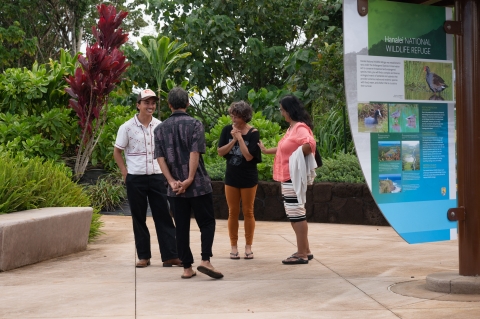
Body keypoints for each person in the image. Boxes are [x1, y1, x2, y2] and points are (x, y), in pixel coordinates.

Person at [154, 87, 223, 279]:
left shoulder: (159, 129)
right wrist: (190, 179)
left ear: (169, 105)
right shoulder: (195, 124)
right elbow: (195, 152)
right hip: (198, 184)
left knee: (181, 226)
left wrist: (171, 181)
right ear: (187, 103)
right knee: (207, 222)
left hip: (174, 188)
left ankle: (187, 268)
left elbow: (160, 158)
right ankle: (205, 260)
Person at [113, 88, 182, 268]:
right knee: (139, 217)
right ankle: (144, 256)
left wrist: (168, 175)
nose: (150, 106)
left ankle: (170, 256)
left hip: (157, 176)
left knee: (164, 216)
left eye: (152, 103)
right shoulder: (126, 127)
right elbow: (117, 152)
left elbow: (166, 152)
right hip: (135, 178)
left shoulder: (160, 125)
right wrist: (124, 172)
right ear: (138, 105)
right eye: (146, 102)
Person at [258, 95, 316, 264]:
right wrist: (267, 150)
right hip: (288, 177)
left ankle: (301, 253)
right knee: (295, 213)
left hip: (293, 177)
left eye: (282, 110)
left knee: (296, 214)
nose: (281, 113)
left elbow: (310, 144)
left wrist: (296, 158)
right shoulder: (292, 128)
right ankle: (306, 250)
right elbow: (286, 147)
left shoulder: (300, 128)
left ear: (289, 110)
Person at [217, 101, 261, 260]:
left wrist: (240, 139)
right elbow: (220, 152)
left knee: (248, 211)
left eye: (237, 116)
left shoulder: (254, 133)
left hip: (249, 178)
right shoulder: (226, 130)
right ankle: (233, 246)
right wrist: (233, 140)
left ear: (245, 117)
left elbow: (249, 156)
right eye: (232, 116)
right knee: (232, 212)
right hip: (231, 177)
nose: (234, 119)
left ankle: (248, 247)